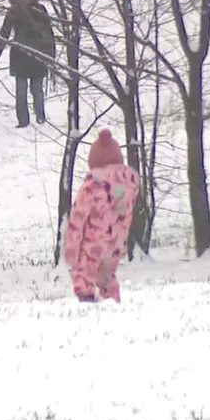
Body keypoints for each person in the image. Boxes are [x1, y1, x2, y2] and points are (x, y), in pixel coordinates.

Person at [64, 129, 140, 303]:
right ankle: (112, 303)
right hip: (116, 244)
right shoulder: (129, 186)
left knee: (84, 275)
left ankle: (88, 307)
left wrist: (72, 249)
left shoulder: (92, 186)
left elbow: (78, 219)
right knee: (106, 275)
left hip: (93, 242)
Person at [0, 0, 56, 128]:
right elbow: (4, 33)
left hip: (38, 55)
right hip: (20, 55)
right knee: (21, 92)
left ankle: (40, 118)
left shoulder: (40, 10)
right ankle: (23, 122)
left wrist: (51, 56)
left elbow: (49, 34)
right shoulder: (13, 12)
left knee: (37, 90)